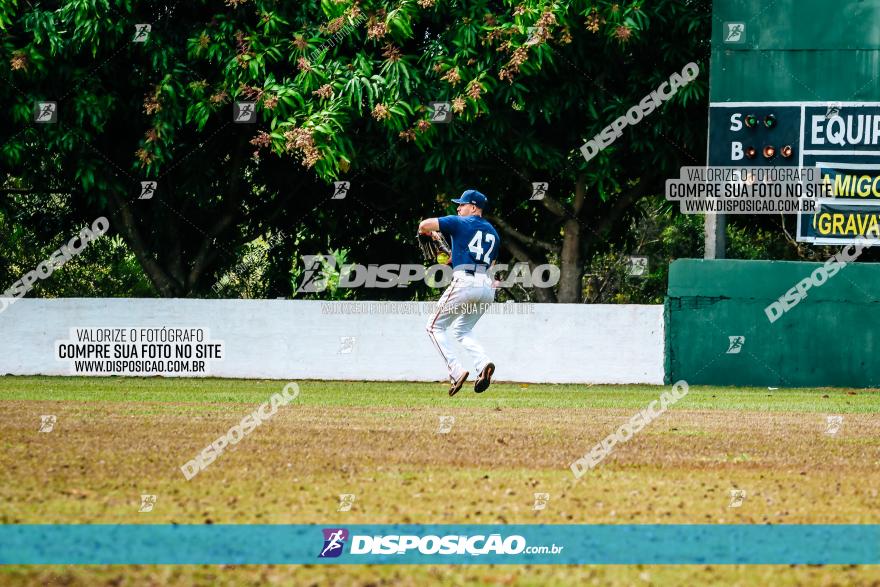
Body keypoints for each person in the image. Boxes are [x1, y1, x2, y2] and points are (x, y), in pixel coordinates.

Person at [418, 189, 501, 396]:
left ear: (473, 207)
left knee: (434, 326)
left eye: (462, 204)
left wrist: (425, 233)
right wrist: (453, 257)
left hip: (465, 282)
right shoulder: (493, 232)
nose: (458, 207)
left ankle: (456, 371)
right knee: (462, 330)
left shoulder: (459, 222)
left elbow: (424, 225)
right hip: (487, 287)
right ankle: (483, 364)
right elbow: (490, 263)